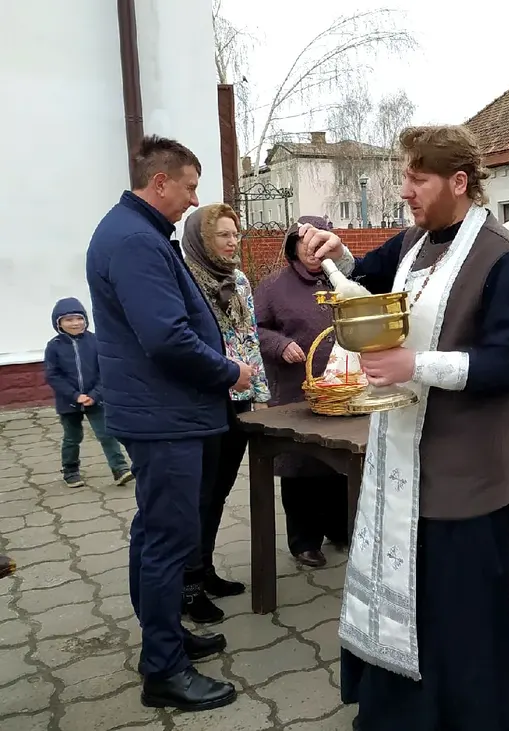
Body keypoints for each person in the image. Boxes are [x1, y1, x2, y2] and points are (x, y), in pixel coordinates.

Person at [307, 125, 509, 731]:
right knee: (408, 599)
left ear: (457, 183)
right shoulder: (416, 241)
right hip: (400, 463)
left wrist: (416, 365)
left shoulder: (504, 259)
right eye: (404, 176)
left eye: (417, 178)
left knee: (458, 611)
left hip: (462, 475)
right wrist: (330, 251)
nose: (404, 189)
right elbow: (369, 273)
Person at [86, 135, 251, 711]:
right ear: (160, 183)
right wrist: (229, 371)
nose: (193, 199)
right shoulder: (134, 240)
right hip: (164, 415)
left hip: (160, 411)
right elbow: (166, 337)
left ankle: (164, 639)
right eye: (189, 186)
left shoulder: (134, 232)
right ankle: (163, 669)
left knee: (153, 533)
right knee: (166, 540)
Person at [179, 203, 271, 624]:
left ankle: (207, 570)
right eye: (223, 235)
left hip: (239, 397)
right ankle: (189, 587)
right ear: (202, 239)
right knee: (198, 495)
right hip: (203, 399)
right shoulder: (186, 280)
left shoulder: (238, 280)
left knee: (218, 491)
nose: (233, 243)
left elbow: (248, 336)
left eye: (236, 235)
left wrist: (257, 392)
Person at [254, 216, 355, 568]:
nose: (313, 252)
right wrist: (280, 345)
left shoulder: (340, 280)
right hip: (296, 392)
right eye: (305, 244)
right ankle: (304, 541)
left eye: (318, 244)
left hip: (340, 387)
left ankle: (339, 529)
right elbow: (255, 330)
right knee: (301, 466)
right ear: (293, 246)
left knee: (337, 461)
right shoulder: (272, 287)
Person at [44, 297, 133, 488]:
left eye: (79, 318)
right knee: (72, 437)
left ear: (85, 319)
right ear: (58, 323)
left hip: (96, 399)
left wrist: (94, 394)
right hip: (69, 401)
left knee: (107, 434)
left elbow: (105, 371)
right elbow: (53, 376)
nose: (75, 323)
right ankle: (70, 471)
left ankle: (120, 469)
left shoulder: (96, 341)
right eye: (68, 320)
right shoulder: (54, 346)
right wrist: (76, 395)